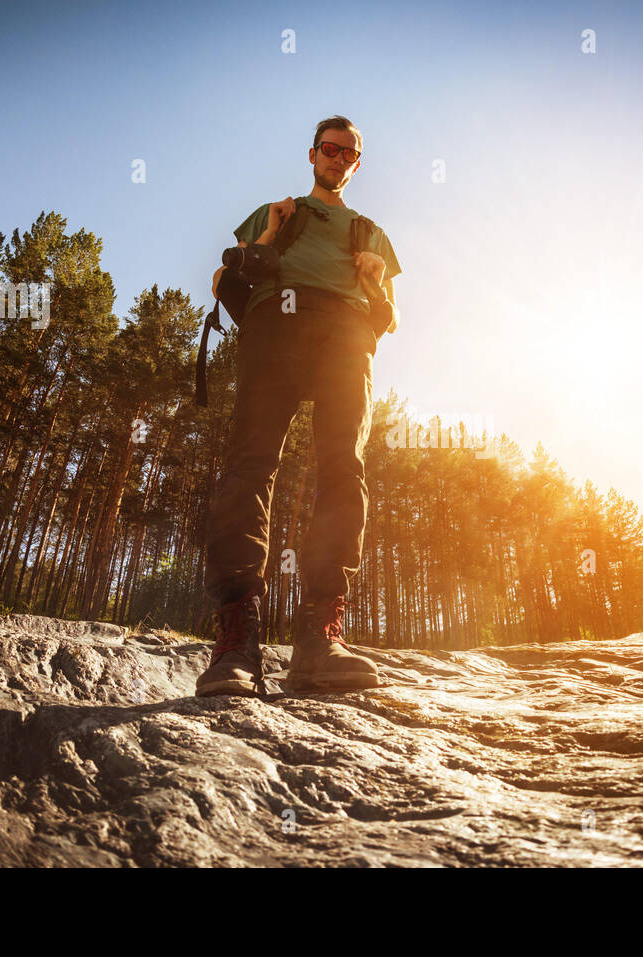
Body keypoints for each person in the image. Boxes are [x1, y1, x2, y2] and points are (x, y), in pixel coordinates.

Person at [198, 115, 402, 697]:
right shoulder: (276, 213)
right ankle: (237, 642)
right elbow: (223, 279)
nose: (339, 159)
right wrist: (267, 238)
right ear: (312, 154)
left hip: (346, 337)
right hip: (275, 327)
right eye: (330, 149)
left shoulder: (371, 233)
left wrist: (376, 283)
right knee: (251, 464)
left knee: (344, 469)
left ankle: (319, 638)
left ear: (356, 164)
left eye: (350, 154)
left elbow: (391, 319)